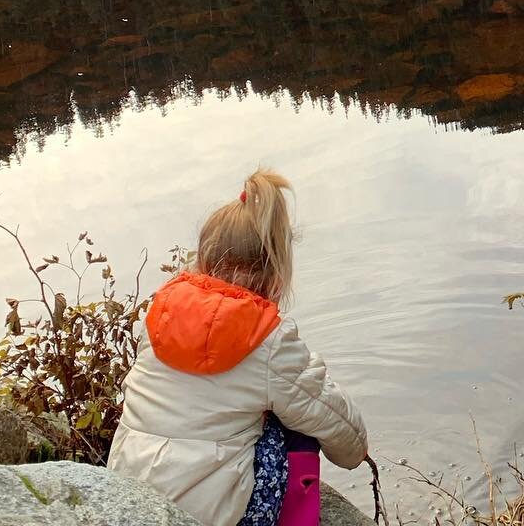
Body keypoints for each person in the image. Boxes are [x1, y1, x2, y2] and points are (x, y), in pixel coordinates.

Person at [109, 169, 368, 526]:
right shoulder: (268, 341)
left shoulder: (161, 312)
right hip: (211, 515)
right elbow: (329, 416)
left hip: (128, 500)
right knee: (296, 419)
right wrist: (358, 451)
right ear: (276, 275)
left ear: (202, 260)